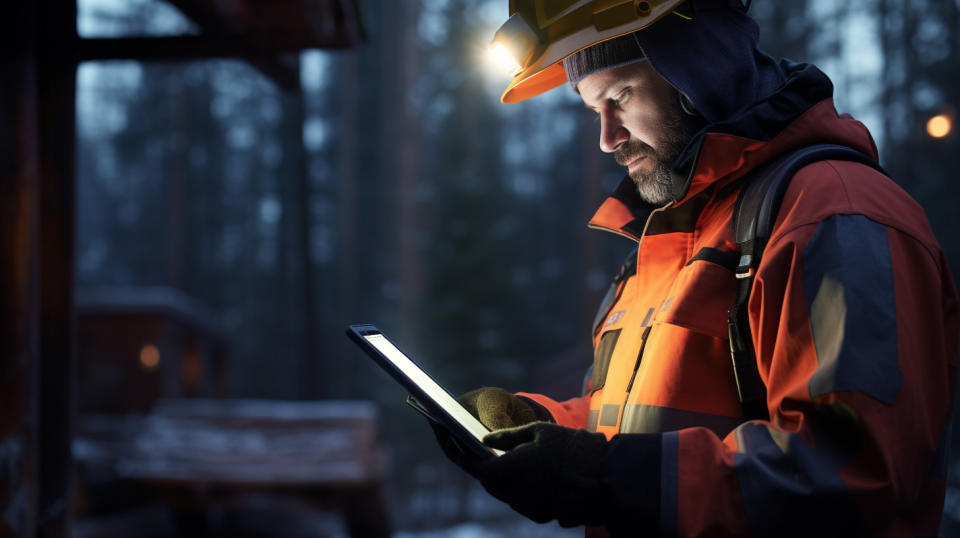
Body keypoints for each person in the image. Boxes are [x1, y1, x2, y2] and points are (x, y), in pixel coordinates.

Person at [432, 0, 960, 536]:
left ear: (697, 72)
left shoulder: (833, 213)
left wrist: (605, 475)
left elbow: (849, 472)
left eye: (620, 97)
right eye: (596, 111)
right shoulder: (675, 235)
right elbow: (643, 419)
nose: (607, 137)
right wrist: (540, 427)